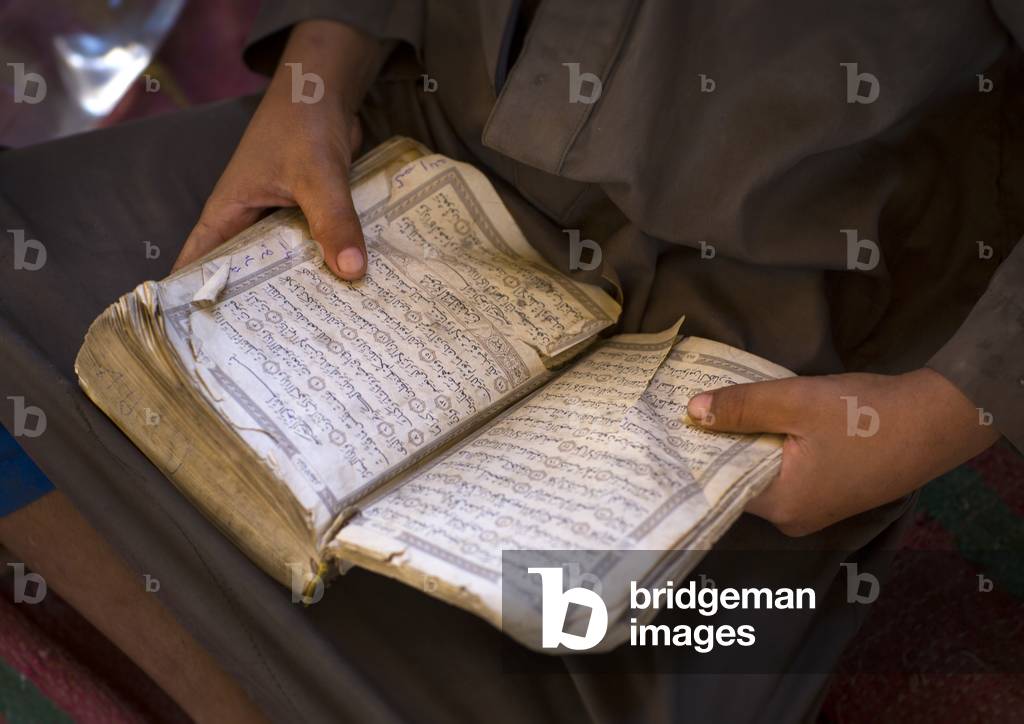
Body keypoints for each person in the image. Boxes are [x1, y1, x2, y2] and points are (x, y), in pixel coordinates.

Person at [2, 1, 1022, 721]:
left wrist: (933, 415)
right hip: (388, 164)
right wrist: (321, 68)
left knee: (585, 655)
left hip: (779, 338)